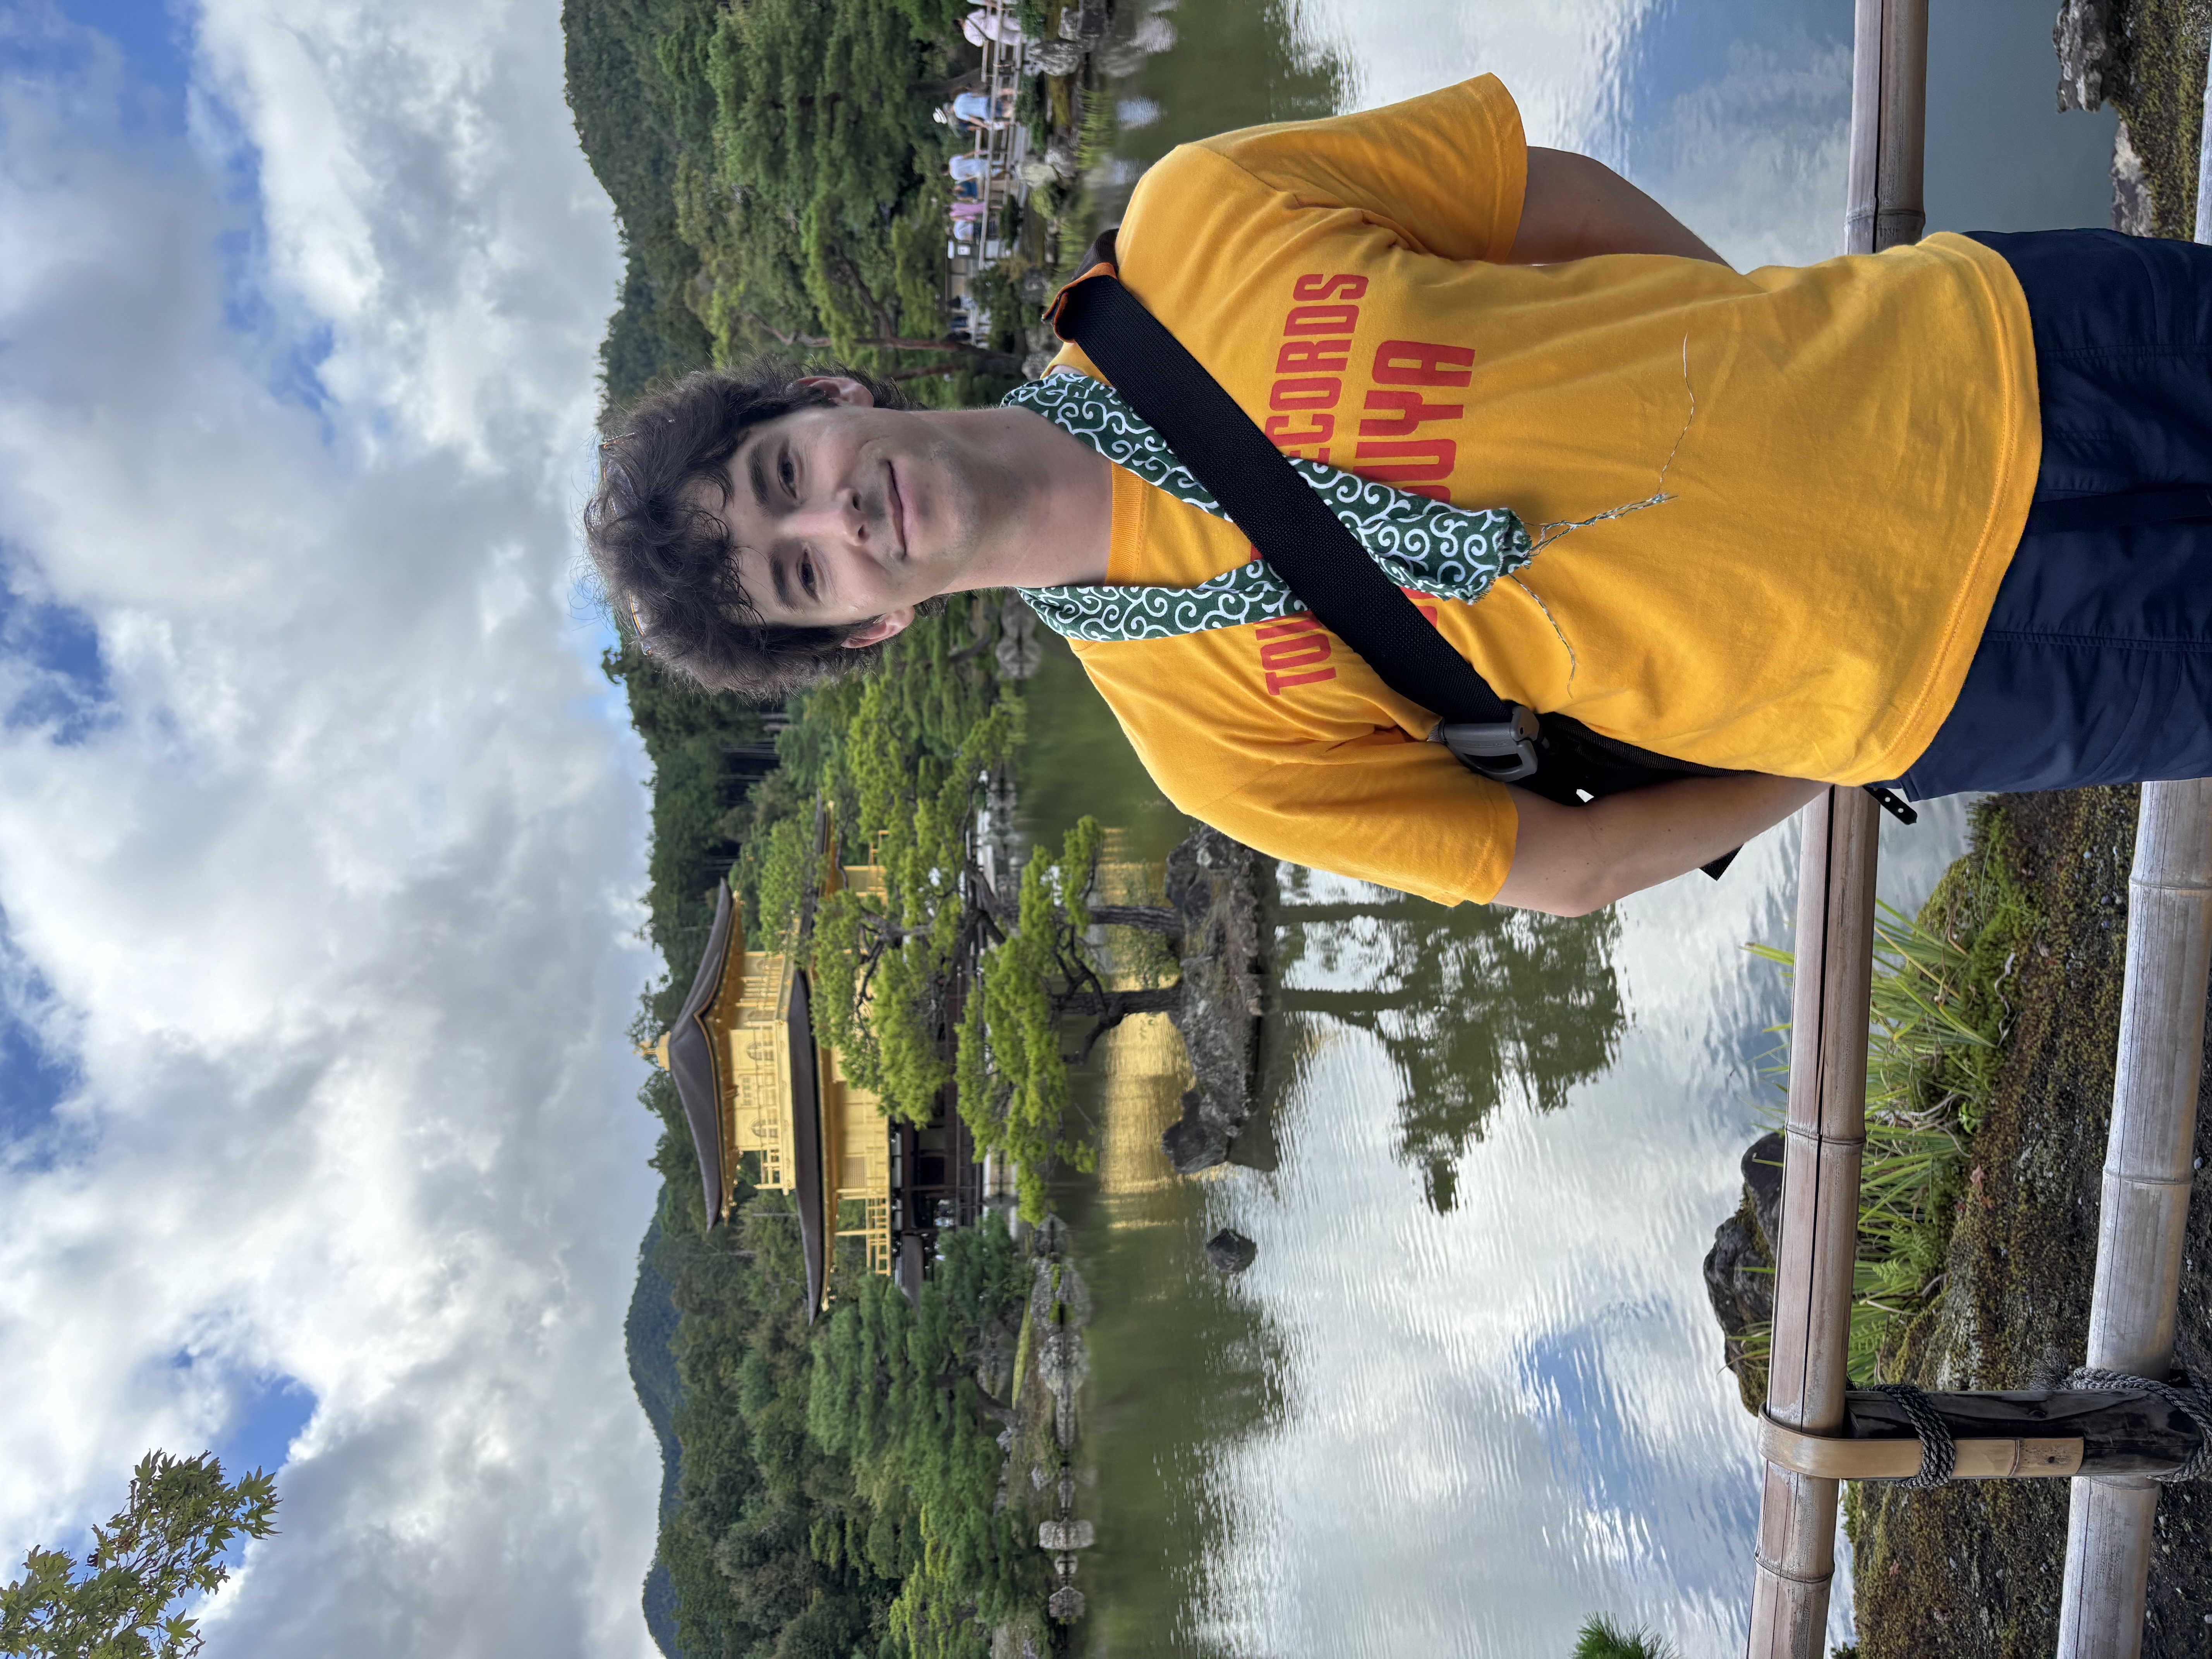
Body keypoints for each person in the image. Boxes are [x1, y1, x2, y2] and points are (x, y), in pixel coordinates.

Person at [585, 75, 2212, 915]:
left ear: (829, 399)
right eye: (804, 574)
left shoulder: (1196, 219)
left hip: (1986, 346)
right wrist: (1835, 739)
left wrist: (1752, 364)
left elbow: (1545, 196)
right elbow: (1565, 866)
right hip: (1958, 673)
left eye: (785, 477)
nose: (836, 521)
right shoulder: (1204, 744)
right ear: (864, 633)